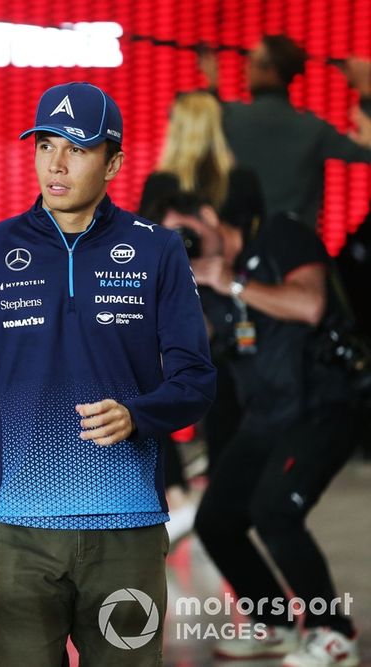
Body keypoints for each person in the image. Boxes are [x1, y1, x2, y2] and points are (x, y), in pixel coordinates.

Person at [0, 81, 216, 666]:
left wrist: (138, 414)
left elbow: (196, 382)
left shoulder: (158, 250)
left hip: (128, 534)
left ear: (114, 163)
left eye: (77, 148)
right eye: (44, 144)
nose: (55, 163)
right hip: (19, 533)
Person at [160, 199, 361, 666]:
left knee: (274, 512)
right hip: (267, 417)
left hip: (322, 408)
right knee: (216, 521)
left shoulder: (278, 236)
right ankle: (277, 624)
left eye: (186, 233)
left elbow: (310, 305)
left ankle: (336, 631)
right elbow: (184, 347)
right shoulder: (201, 287)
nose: (185, 246)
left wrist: (227, 278)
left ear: (209, 216)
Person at [138, 90, 266, 541]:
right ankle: (219, 504)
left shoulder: (160, 185)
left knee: (149, 393)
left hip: (178, 303)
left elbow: (142, 250)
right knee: (223, 400)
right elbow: (253, 252)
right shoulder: (242, 181)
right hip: (225, 307)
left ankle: (180, 495)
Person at [201, 35, 371, 229]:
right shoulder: (313, 128)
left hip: (237, 243)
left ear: (272, 71)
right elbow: (365, 150)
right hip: (295, 247)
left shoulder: (229, 117)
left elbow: (197, 129)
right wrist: (366, 90)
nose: (245, 67)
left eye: (252, 61)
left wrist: (212, 89)